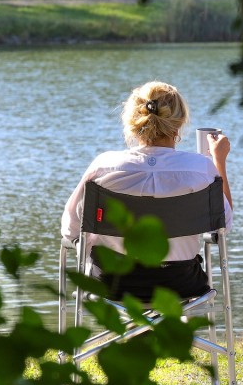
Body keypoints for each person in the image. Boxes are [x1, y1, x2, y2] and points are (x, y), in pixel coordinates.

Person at [61, 81, 233, 302]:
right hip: (180, 284)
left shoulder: (104, 167)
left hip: (113, 285)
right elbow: (223, 227)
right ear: (179, 124)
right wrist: (219, 162)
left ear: (132, 122)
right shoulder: (201, 168)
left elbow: (70, 230)